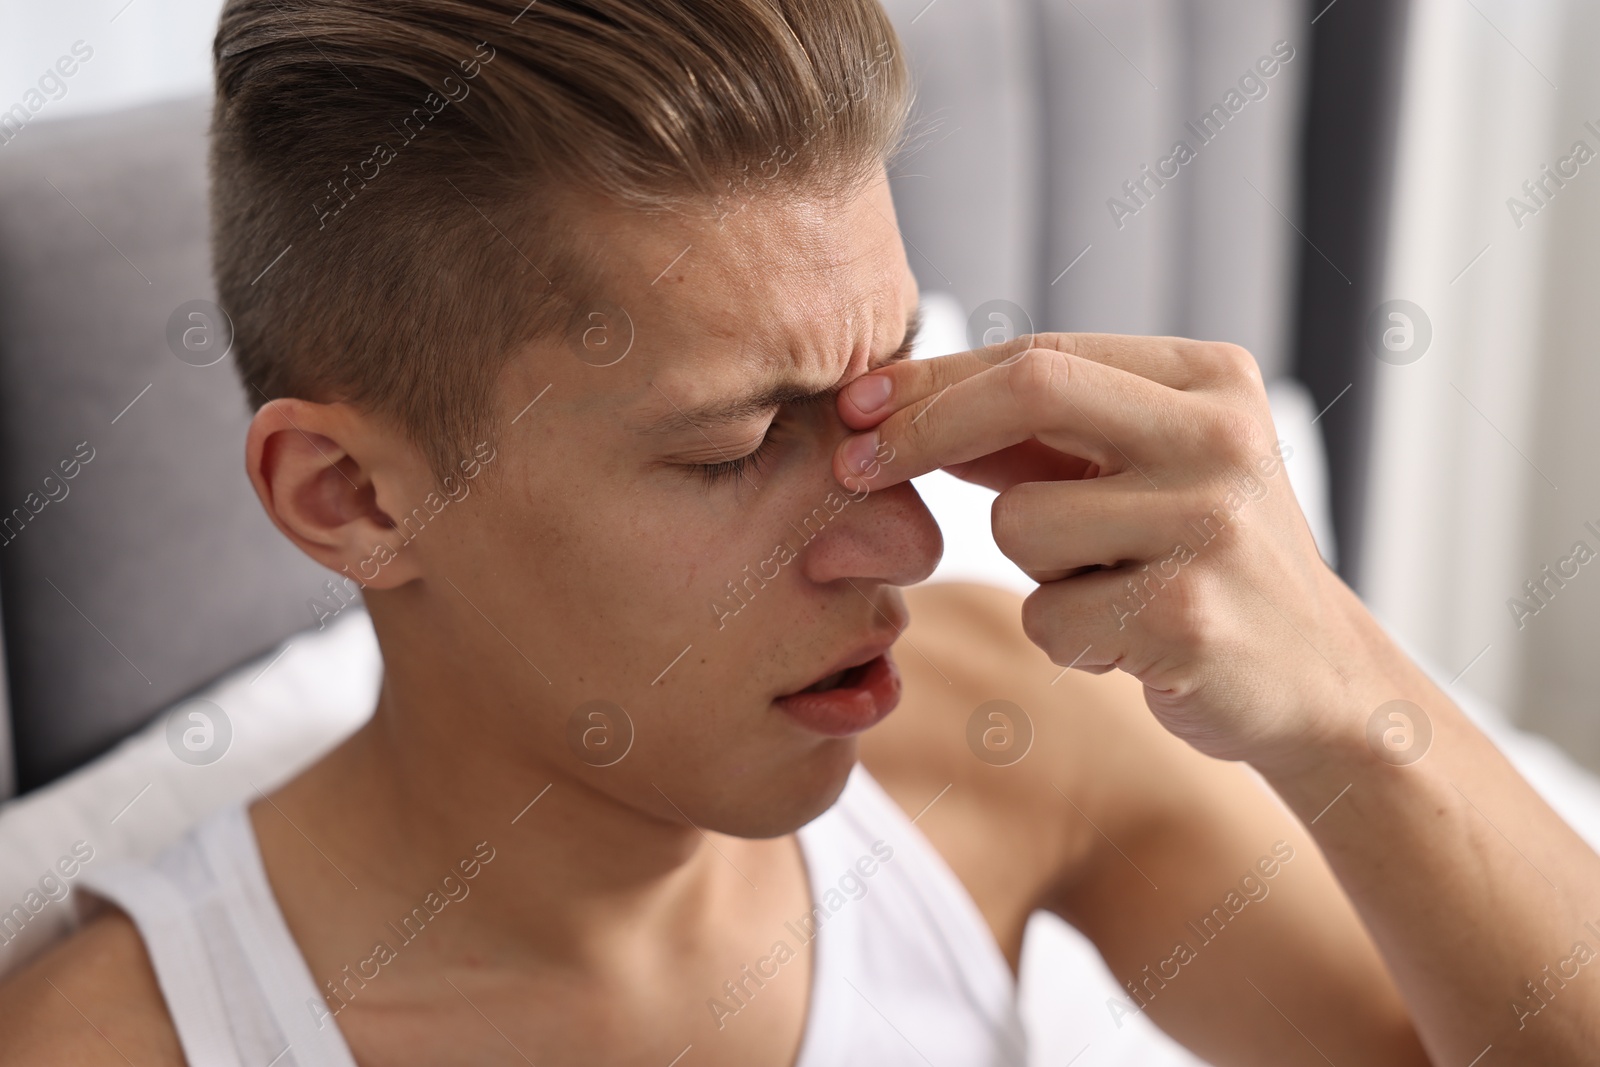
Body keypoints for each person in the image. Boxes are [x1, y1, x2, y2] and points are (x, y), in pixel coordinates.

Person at [3, 0, 1597, 1063]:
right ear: (353, 501)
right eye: (728, 449)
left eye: (876, 396)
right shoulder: (120, 1040)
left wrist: (1347, 707)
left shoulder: (992, 741)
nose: (902, 543)